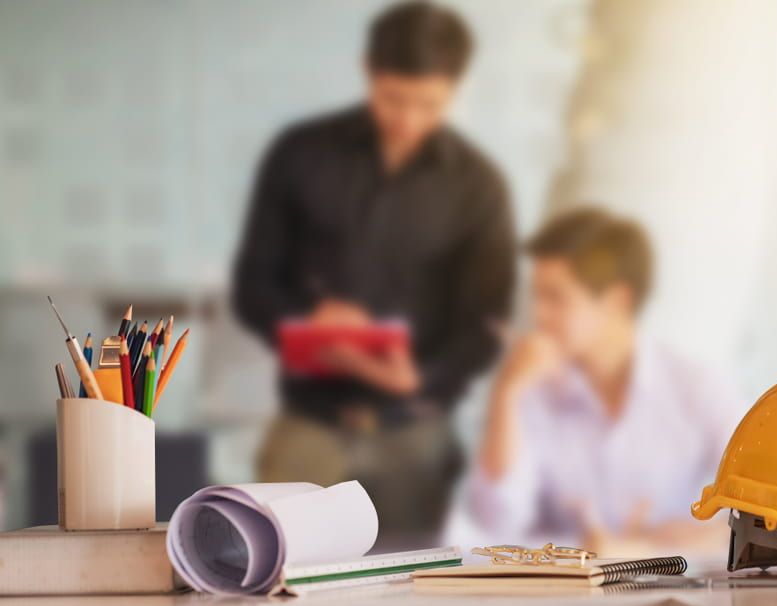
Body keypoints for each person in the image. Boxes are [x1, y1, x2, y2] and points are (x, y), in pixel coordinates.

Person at [232, 1, 516, 543]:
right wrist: (309, 318)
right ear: (369, 73)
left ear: (455, 90)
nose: (408, 120)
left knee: (411, 580)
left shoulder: (479, 186)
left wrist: (421, 378)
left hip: (416, 433)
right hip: (309, 424)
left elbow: (486, 323)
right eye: (393, 99)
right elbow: (252, 286)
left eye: (429, 104)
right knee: (274, 565)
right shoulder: (300, 154)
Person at [466, 207, 743, 553]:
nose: (538, 315)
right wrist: (505, 393)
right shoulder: (532, 390)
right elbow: (496, 519)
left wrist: (703, 537)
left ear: (617, 301)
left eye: (555, 298)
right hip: (565, 581)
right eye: (537, 296)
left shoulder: (697, 387)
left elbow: (762, 507)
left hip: (673, 576)